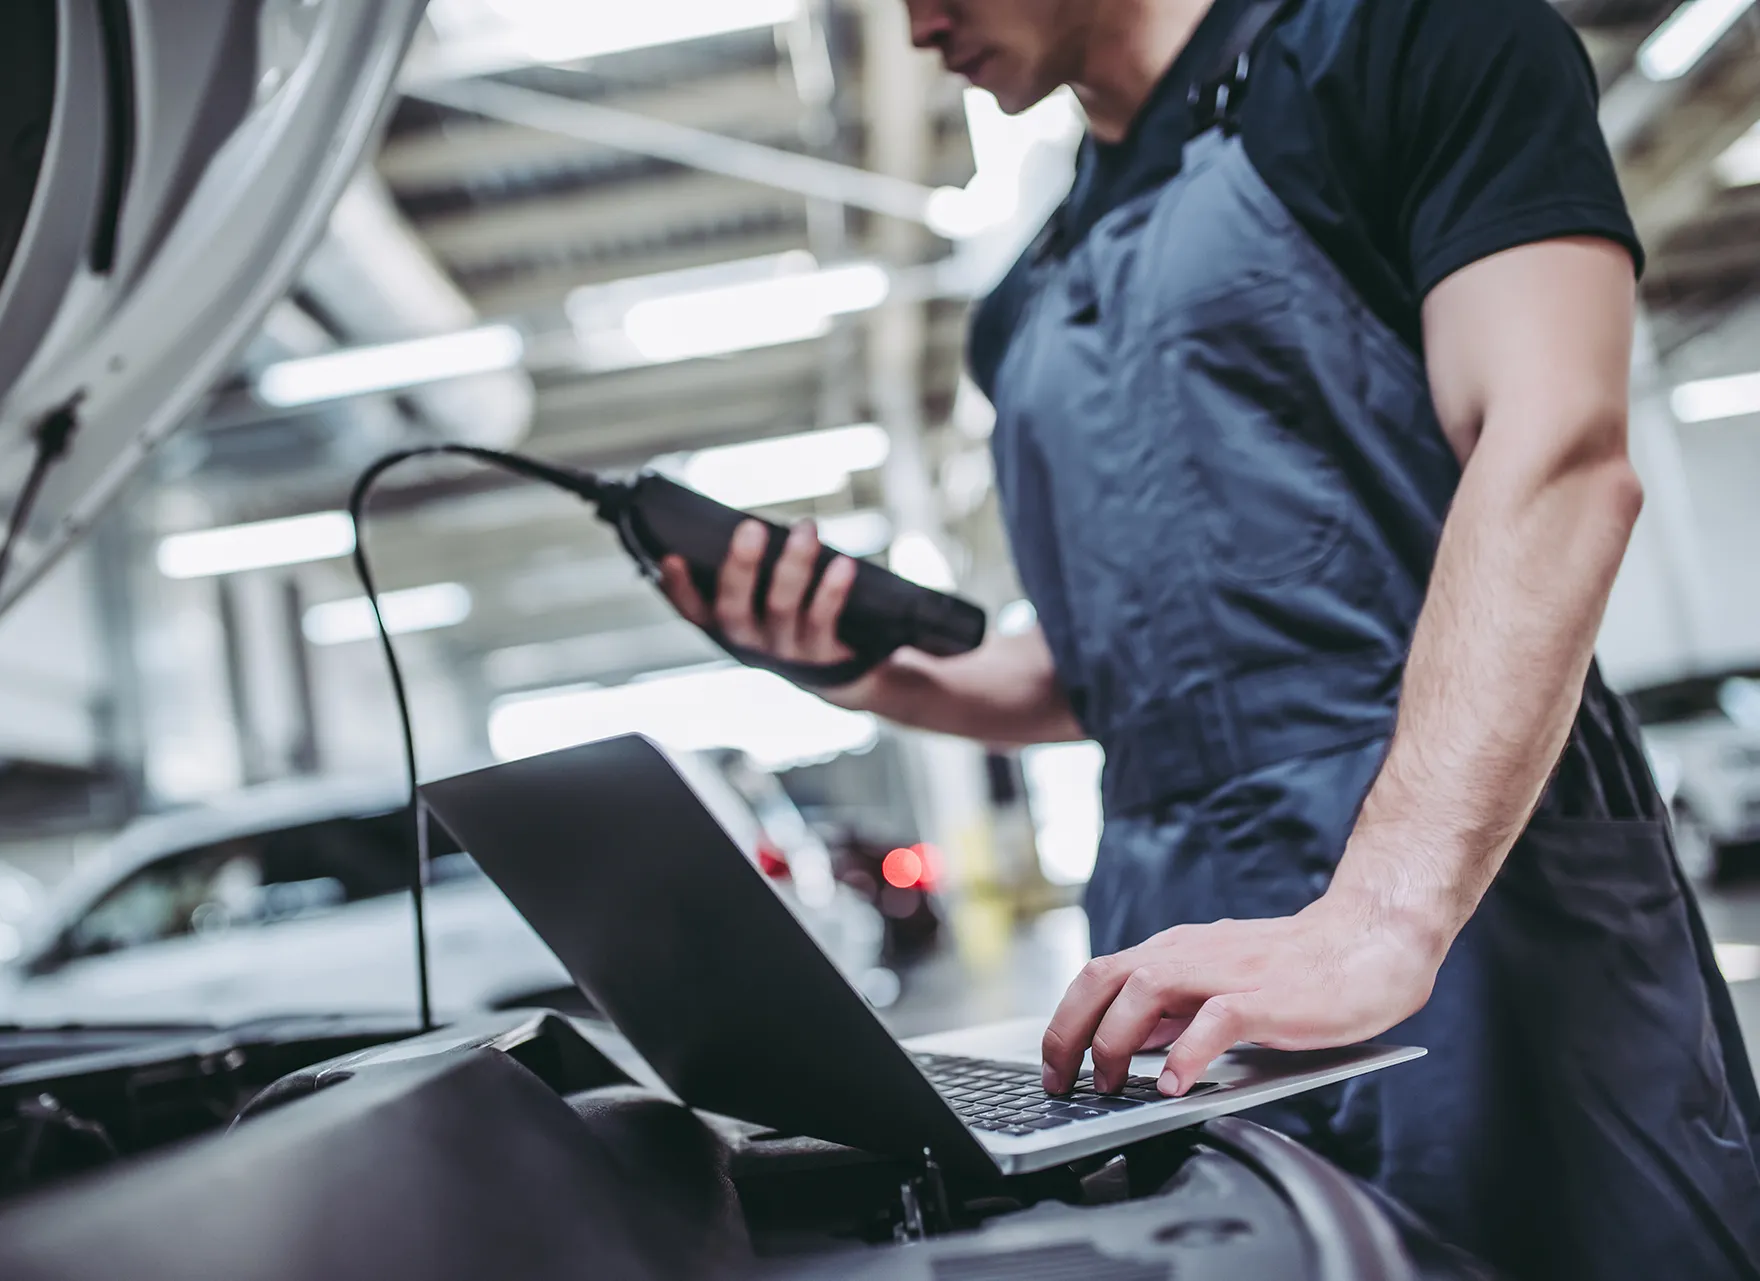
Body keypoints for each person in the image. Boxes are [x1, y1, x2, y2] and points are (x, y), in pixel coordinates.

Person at [659, 0, 1760, 1275]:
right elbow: (1097, 667)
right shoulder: (1024, 306)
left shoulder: (1410, 47)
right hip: (1171, 936)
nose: (915, 27)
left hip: (1470, 884)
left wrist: (1384, 912)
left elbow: (1555, 454)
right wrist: (853, 665)